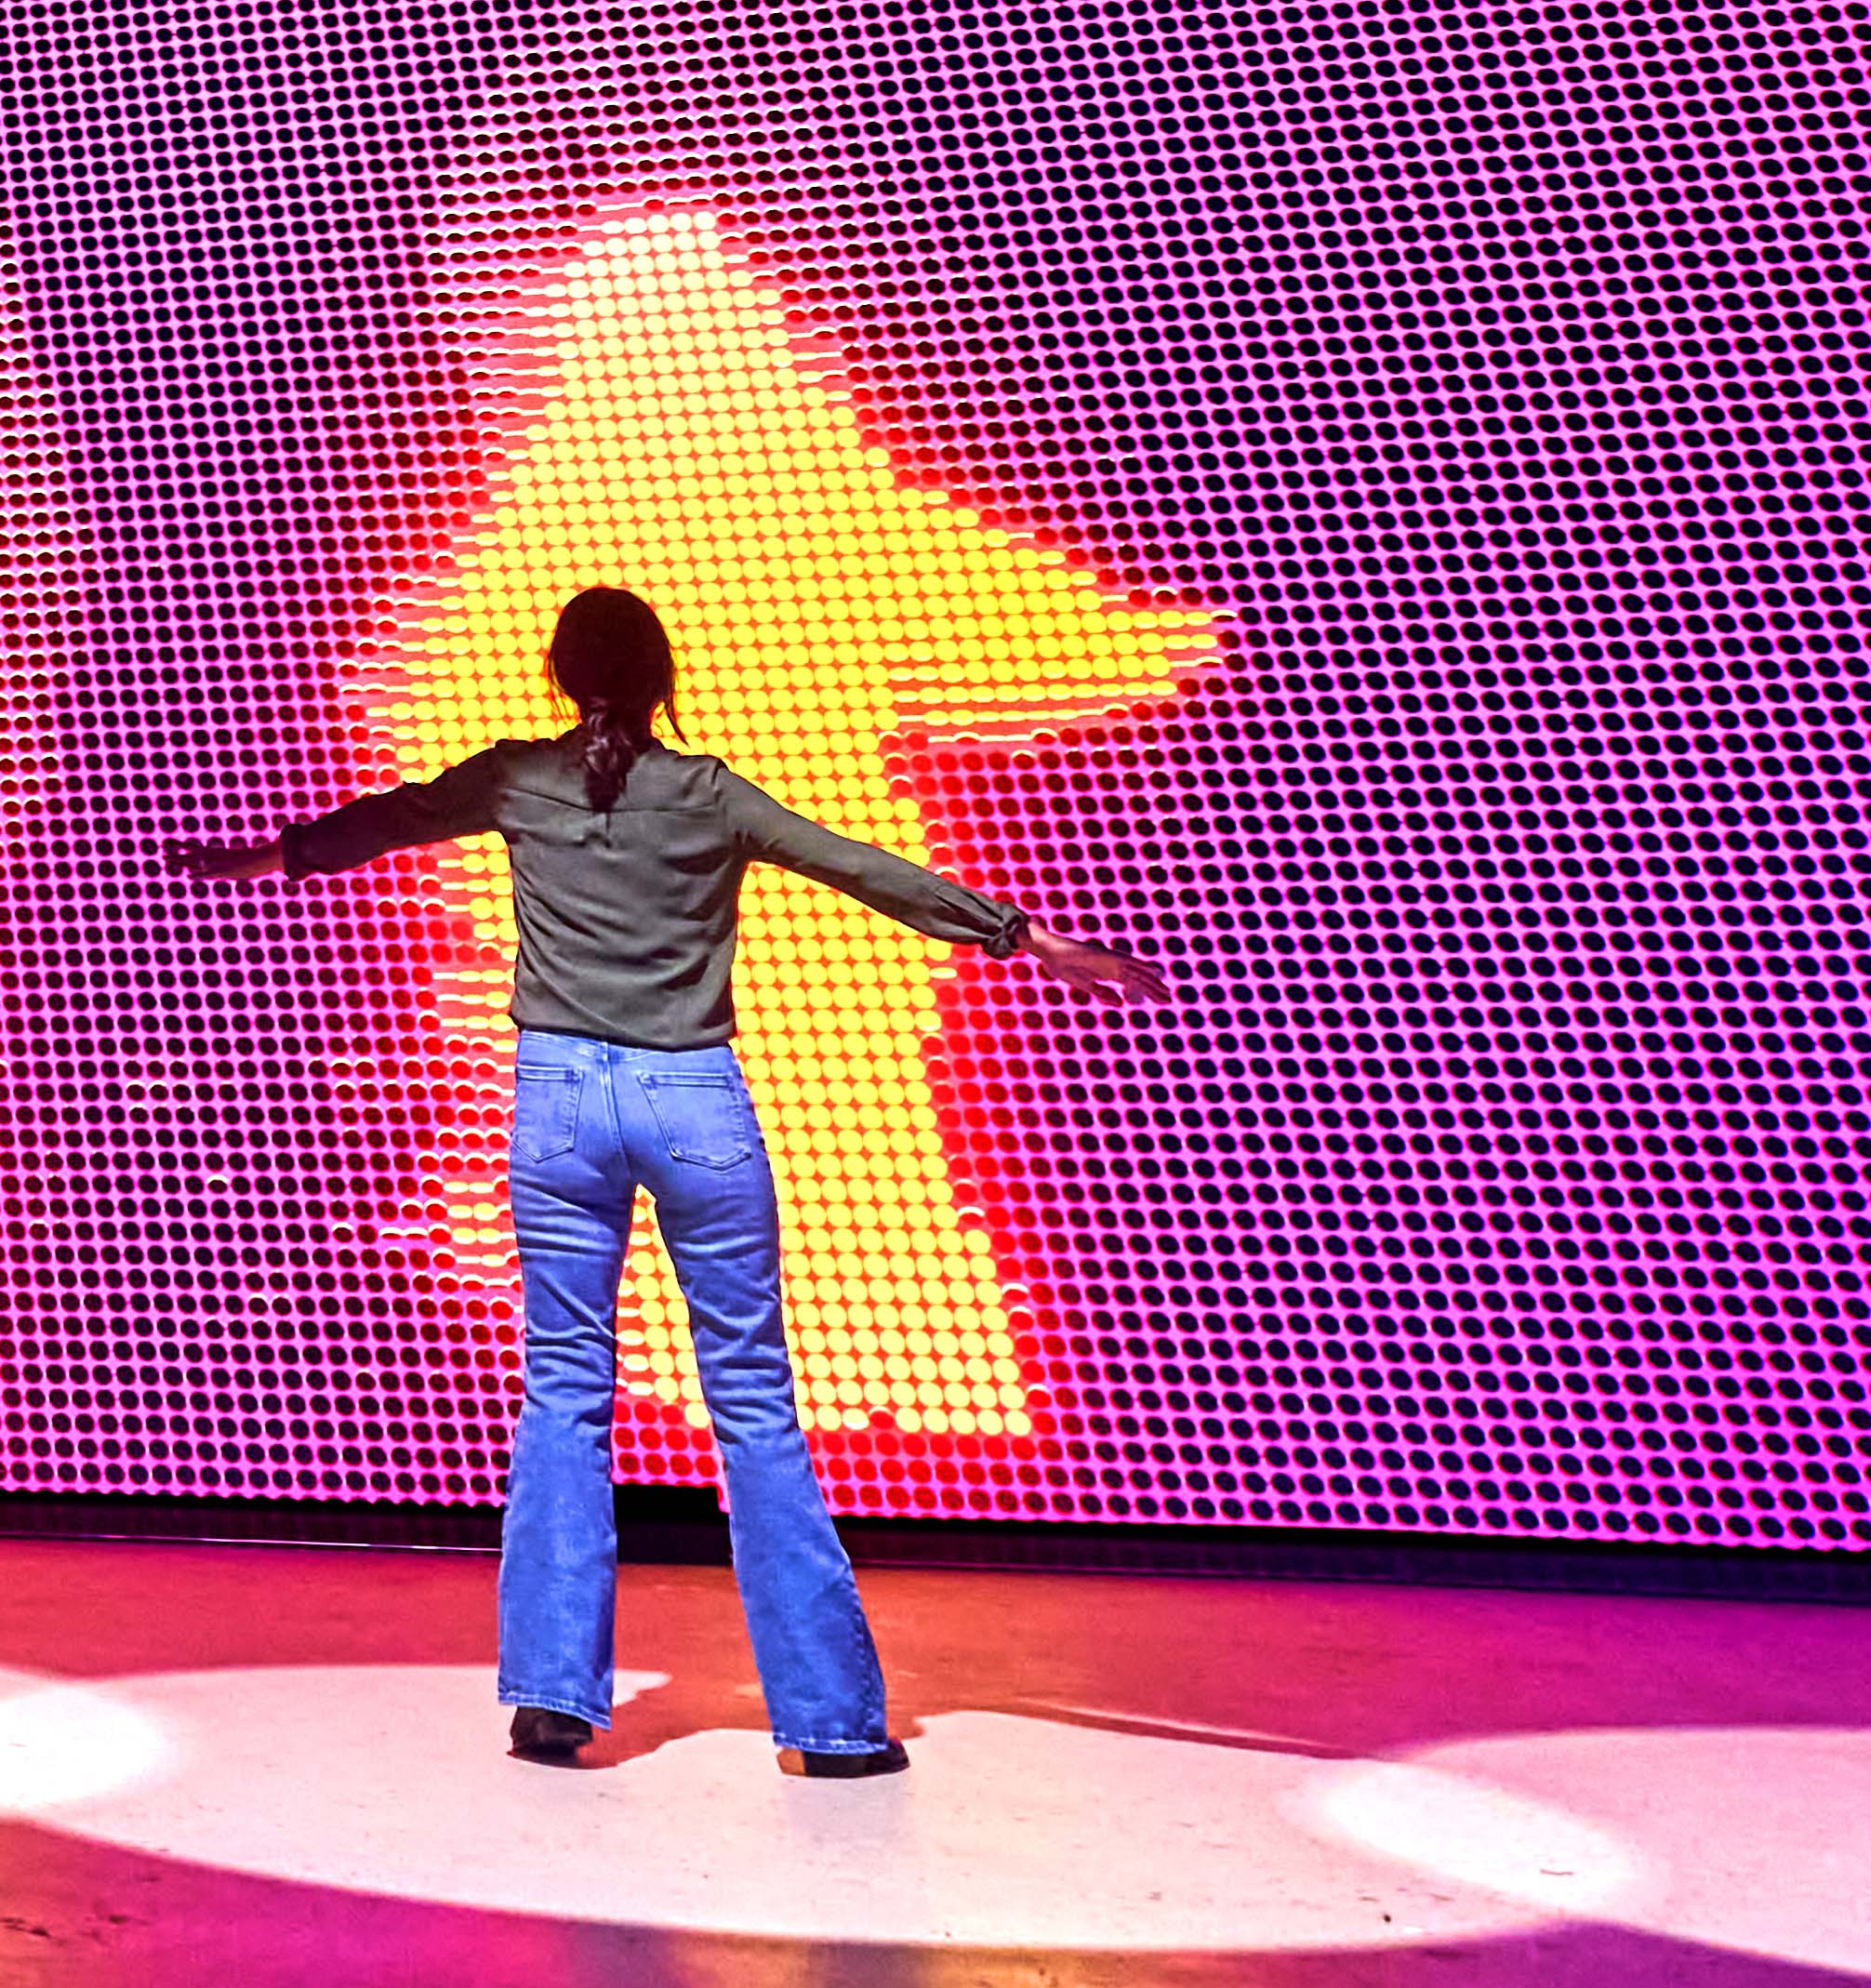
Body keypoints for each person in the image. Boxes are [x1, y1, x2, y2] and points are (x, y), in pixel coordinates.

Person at [177, 582, 1161, 1772]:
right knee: (749, 1396)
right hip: (690, 1100)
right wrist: (1024, 936)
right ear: (660, 681)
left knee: (562, 1390)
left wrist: (259, 857)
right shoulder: (705, 792)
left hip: (557, 1108)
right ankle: (831, 1725)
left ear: (558, 675)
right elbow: (858, 865)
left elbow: (385, 820)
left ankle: (552, 1700)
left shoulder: (515, 779)